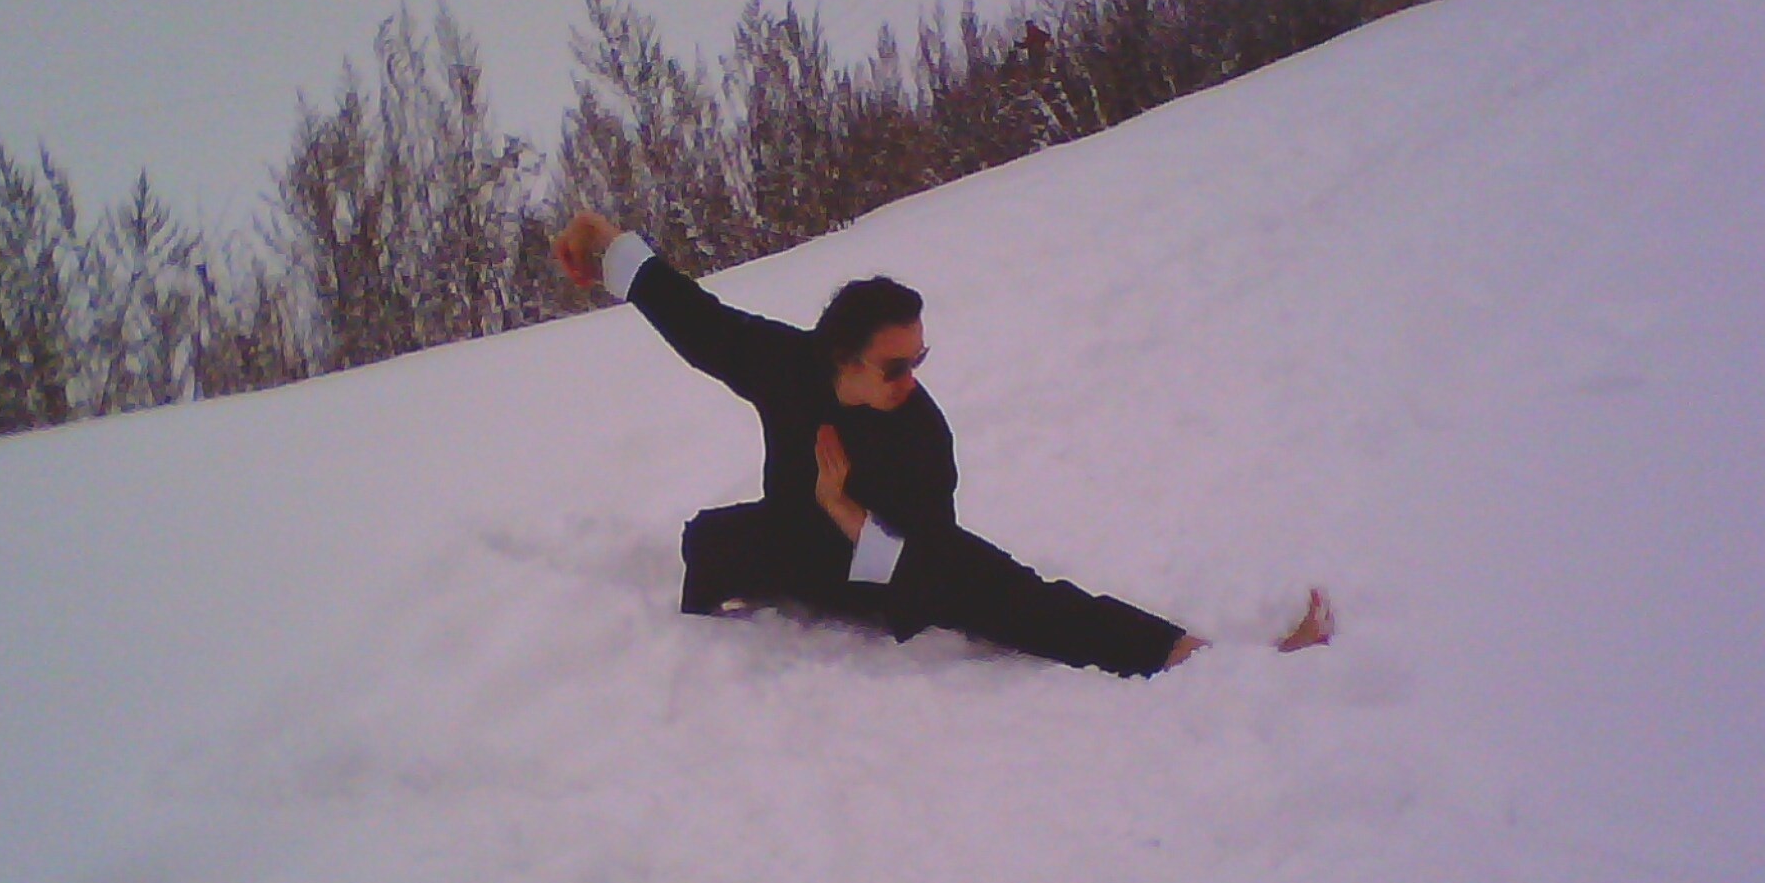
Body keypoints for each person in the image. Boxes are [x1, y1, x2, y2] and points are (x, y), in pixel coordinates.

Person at [552, 211, 1333, 676]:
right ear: (842, 358)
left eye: (919, 359)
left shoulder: (921, 434)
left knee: (1022, 598)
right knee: (707, 543)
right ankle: (697, 640)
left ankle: (1197, 658)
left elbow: (920, 562)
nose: (912, 378)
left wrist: (847, 513)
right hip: (786, 539)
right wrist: (606, 242)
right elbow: (695, 319)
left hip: (884, 568)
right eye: (896, 365)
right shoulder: (785, 364)